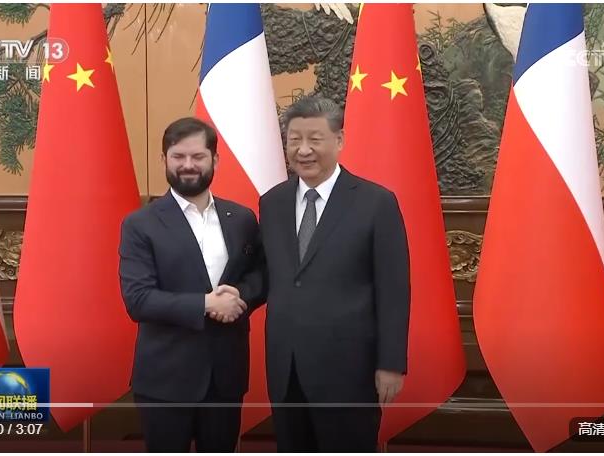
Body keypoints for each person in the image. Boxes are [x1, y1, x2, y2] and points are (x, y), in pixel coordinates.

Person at [259, 96, 411, 452]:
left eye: (315, 139)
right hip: (286, 368)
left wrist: (391, 363)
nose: (304, 150)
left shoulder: (376, 202)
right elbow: (268, 274)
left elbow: (393, 290)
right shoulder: (272, 203)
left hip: (350, 371)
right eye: (294, 140)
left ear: (339, 140)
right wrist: (228, 298)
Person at [118, 117, 266, 452]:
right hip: (165, 380)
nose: (188, 165)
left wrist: (240, 296)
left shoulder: (242, 218)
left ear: (215, 160)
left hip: (225, 377)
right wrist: (207, 304)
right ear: (164, 160)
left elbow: (262, 274)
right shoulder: (141, 224)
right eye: (178, 156)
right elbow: (138, 299)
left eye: (198, 156)